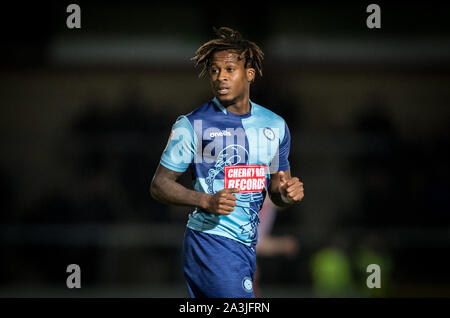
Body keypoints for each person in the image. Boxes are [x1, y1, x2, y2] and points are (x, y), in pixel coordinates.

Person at [150, 27, 304, 298]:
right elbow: (159, 185)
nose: (220, 76)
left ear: (249, 74)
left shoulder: (275, 125)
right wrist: (206, 201)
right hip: (211, 243)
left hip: (245, 249)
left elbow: (277, 191)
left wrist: (287, 193)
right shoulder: (193, 124)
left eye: (229, 69)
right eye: (214, 70)